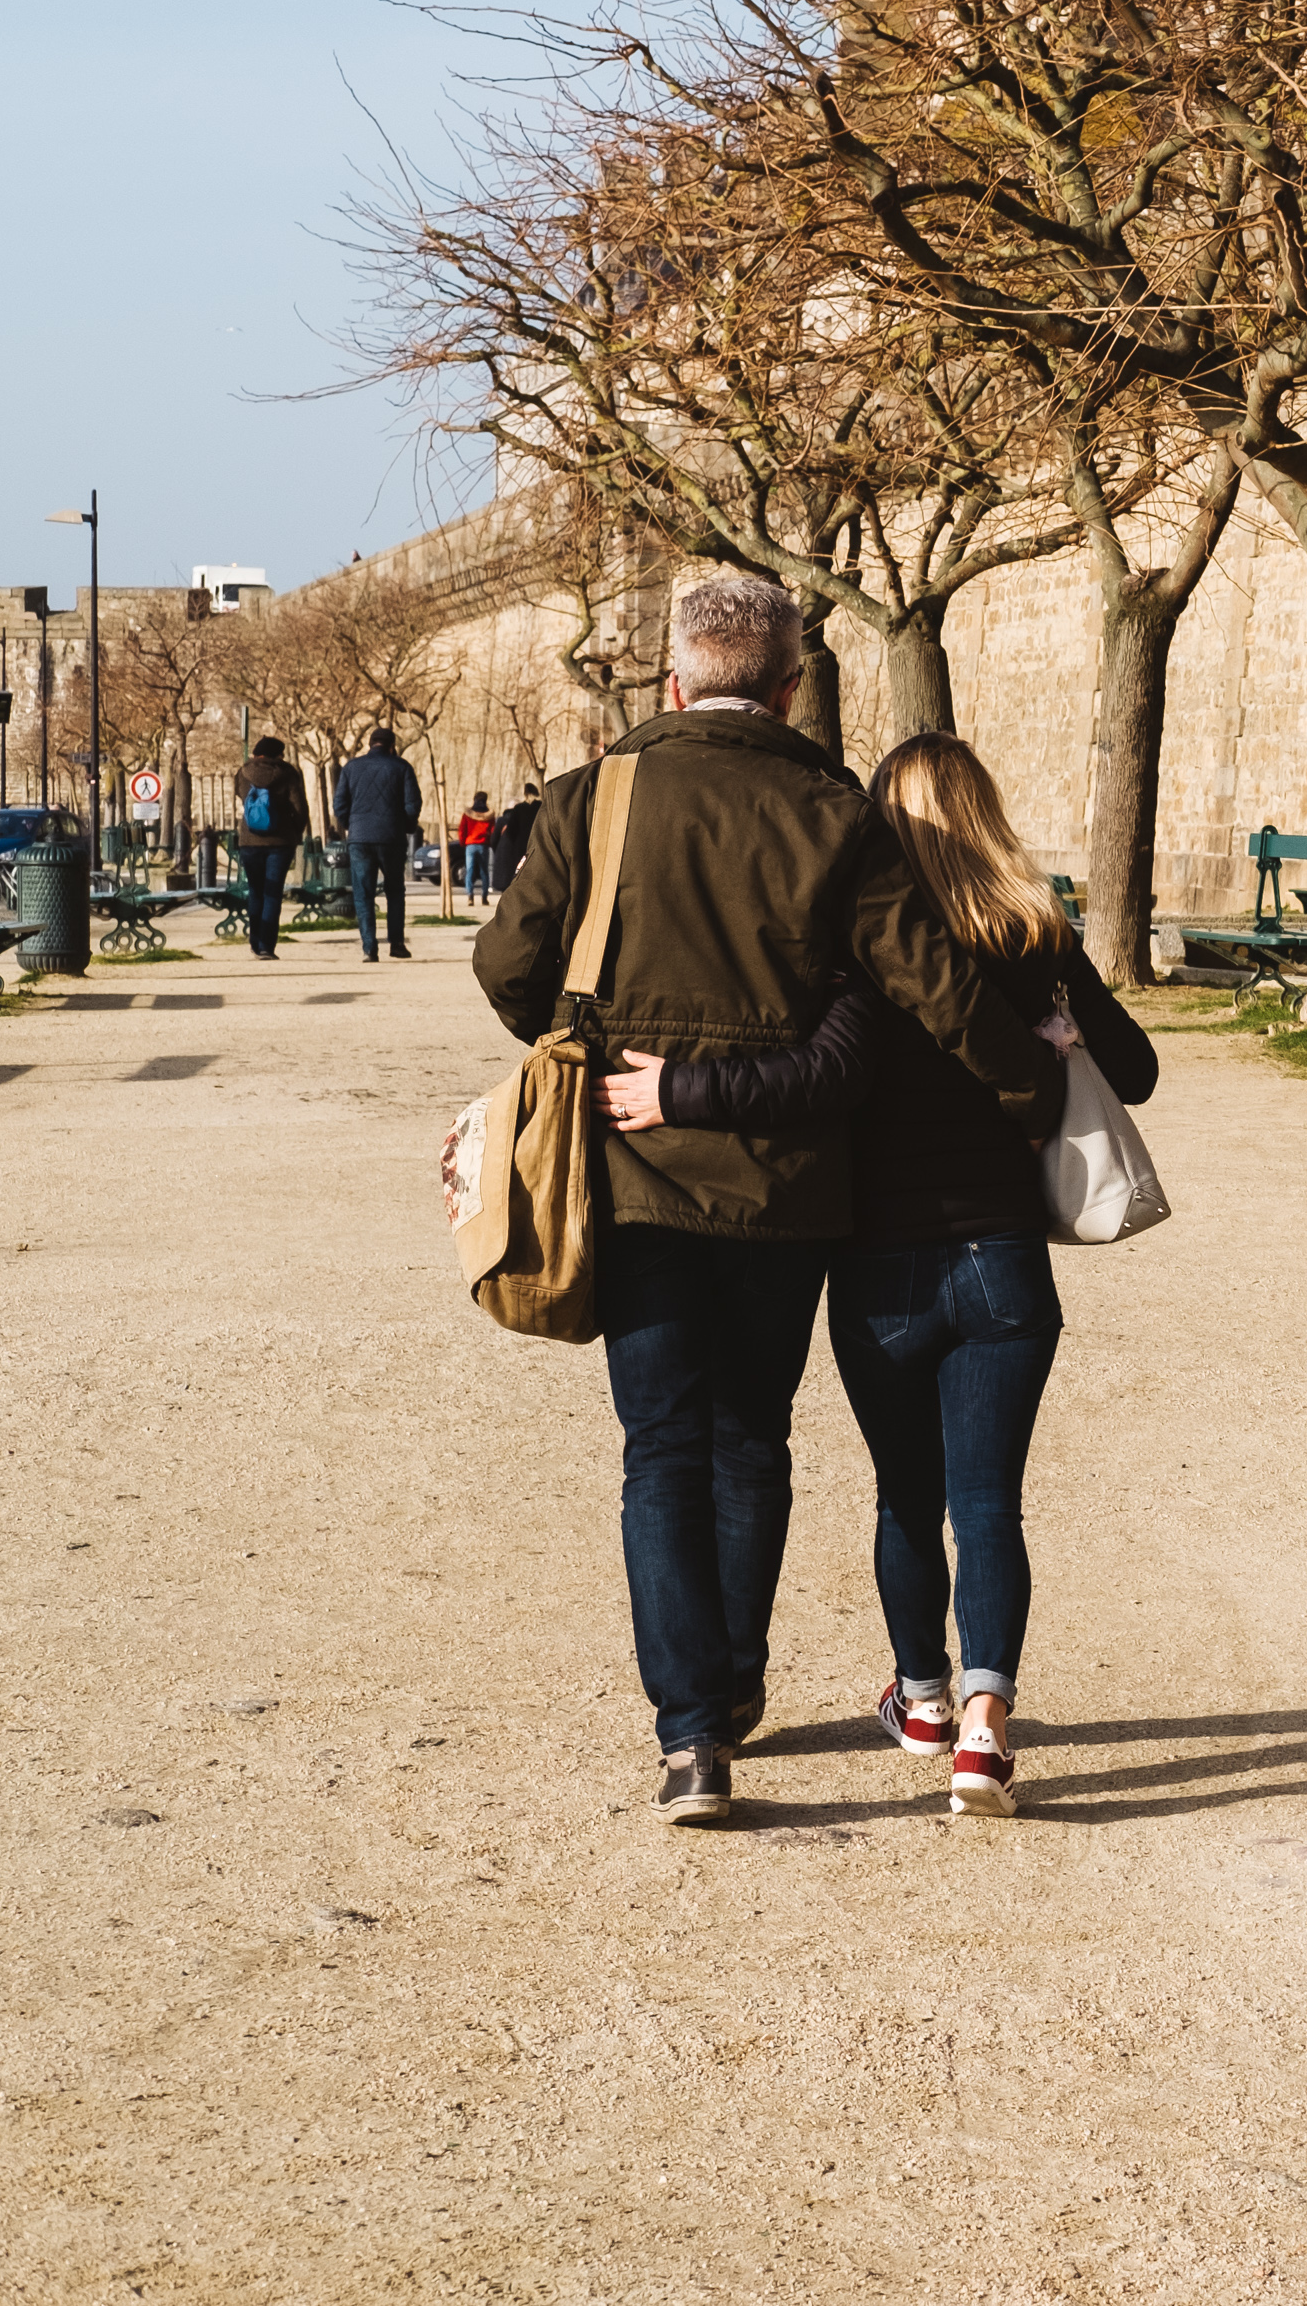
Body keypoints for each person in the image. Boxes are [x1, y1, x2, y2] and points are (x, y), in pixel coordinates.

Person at [474, 580, 1060, 1829]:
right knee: (752, 1441)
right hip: (789, 1189)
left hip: (632, 1179)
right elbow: (928, 982)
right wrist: (1025, 1086)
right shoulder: (831, 813)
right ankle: (735, 1683)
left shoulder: (594, 799)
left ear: (673, 684)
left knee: (661, 1450)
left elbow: (508, 965)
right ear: (791, 688)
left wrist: (593, 1043)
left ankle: (693, 1739)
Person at [602, 734, 1153, 1820]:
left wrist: (686, 1091)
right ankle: (986, 1733)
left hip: (878, 1272)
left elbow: (821, 1076)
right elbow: (1132, 1070)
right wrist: (1055, 1030)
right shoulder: (1036, 935)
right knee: (991, 1499)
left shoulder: (857, 956)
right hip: (1003, 1261)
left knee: (909, 1495)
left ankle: (922, 1698)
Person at [338, 727, 422, 962]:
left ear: (370, 744)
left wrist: (352, 824)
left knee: (363, 894)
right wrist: (405, 825)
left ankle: (369, 948)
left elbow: (339, 804)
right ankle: (396, 944)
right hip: (391, 838)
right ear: (391, 746)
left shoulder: (351, 768)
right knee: (395, 892)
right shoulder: (402, 767)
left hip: (359, 838)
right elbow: (413, 803)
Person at [231, 735, 311, 960]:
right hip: (280, 841)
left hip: (250, 840)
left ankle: (254, 943)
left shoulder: (243, 773)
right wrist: (294, 831)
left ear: (257, 753)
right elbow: (299, 807)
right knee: (273, 893)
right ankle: (267, 946)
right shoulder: (288, 773)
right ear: (278, 754)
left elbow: (240, 796)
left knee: (256, 891)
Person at [457, 792, 497, 903]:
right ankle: (484, 897)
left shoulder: (467, 814)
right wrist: (490, 842)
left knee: (469, 870)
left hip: (470, 844)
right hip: (483, 845)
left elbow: (462, 830)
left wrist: (462, 842)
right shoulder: (489, 815)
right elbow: (493, 831)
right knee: (484, 871)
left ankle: (470, 896)